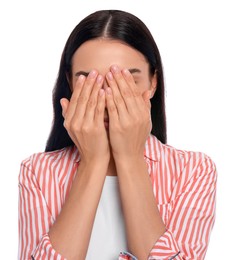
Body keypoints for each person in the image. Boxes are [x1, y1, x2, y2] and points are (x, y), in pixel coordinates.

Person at [18, 9, 217, 260]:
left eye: (125, 82)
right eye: (89, 81)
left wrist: (130, 157)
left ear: (153, 83)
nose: (108, 99)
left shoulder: (194, 171)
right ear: (70, 83)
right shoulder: (37, 172)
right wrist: (93, 161)